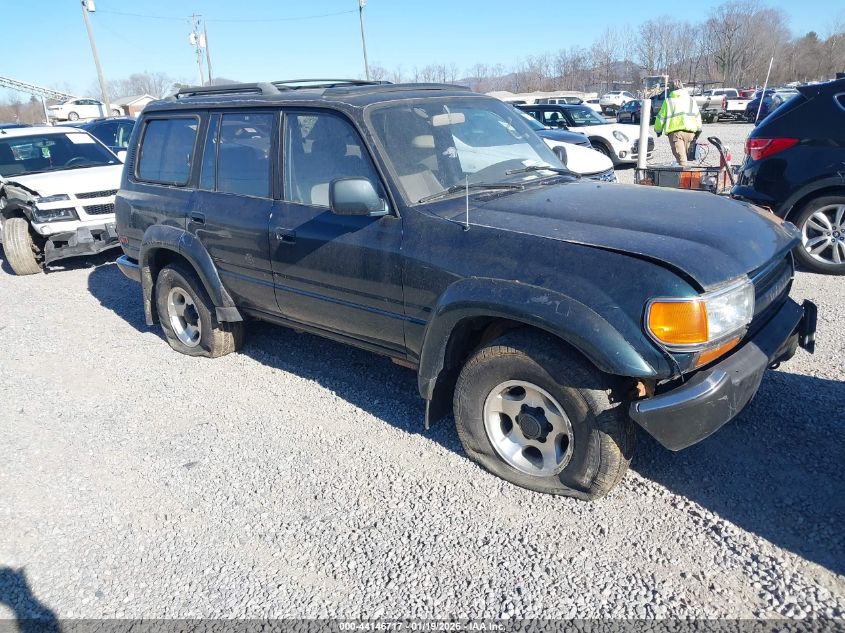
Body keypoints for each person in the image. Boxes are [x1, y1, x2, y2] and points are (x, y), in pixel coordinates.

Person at [653, 80, 702, 166]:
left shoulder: (669, 101)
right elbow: (697, 117)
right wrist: (698, 130)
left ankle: (682, 179)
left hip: (676, 135)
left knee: (682, 162)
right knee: (690, 161)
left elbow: (660, 118)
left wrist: (658, 130)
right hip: (691, 134)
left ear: (671, 89)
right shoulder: (691, 101)